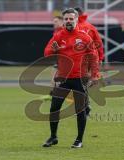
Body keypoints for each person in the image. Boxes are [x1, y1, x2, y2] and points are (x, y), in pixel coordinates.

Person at [42, 8, 99, 148]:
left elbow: (94, 57)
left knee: (80, 110)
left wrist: (95, 75)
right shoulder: (57, 36)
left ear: (76, 19)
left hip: (80, 79)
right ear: (64, 20)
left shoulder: (85, 37)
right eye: (66, 19)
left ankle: (79, 140)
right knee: (54, 108)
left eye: (71, 19)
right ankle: (53, 137)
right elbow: (46, 53)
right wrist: (52, 50)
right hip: (63, 79)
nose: (68, 21)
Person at [74, 7, 104, 116]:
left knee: (80, 84)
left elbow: (97, 43)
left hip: (82, 61)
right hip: (88, 59)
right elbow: (99, 43)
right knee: (82, 84)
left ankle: (85, 107)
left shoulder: (79, 27)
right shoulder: (90, 26)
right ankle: (85, 106)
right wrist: (100, 58)